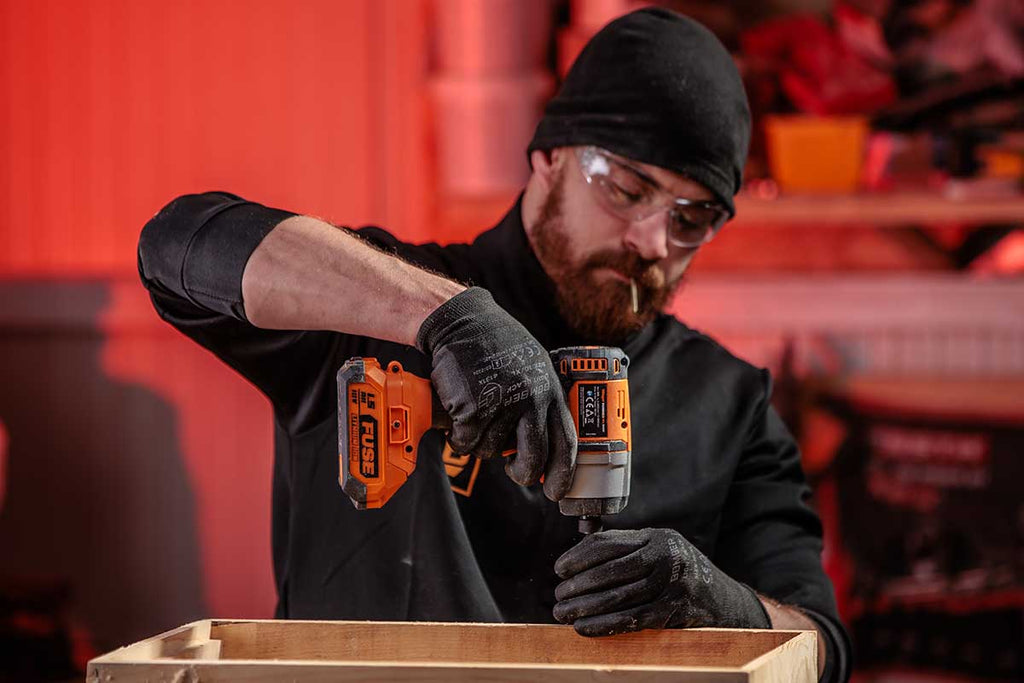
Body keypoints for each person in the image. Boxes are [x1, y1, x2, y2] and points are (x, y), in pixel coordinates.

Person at [138, 8, 850, 681]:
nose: (653, 242)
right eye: (627, 189)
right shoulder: (371, 306)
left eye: (691, 219)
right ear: (549, 156)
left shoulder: (730, 406)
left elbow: (823, 648)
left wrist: (726, 608)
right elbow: (174, 246)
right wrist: (445, 317)